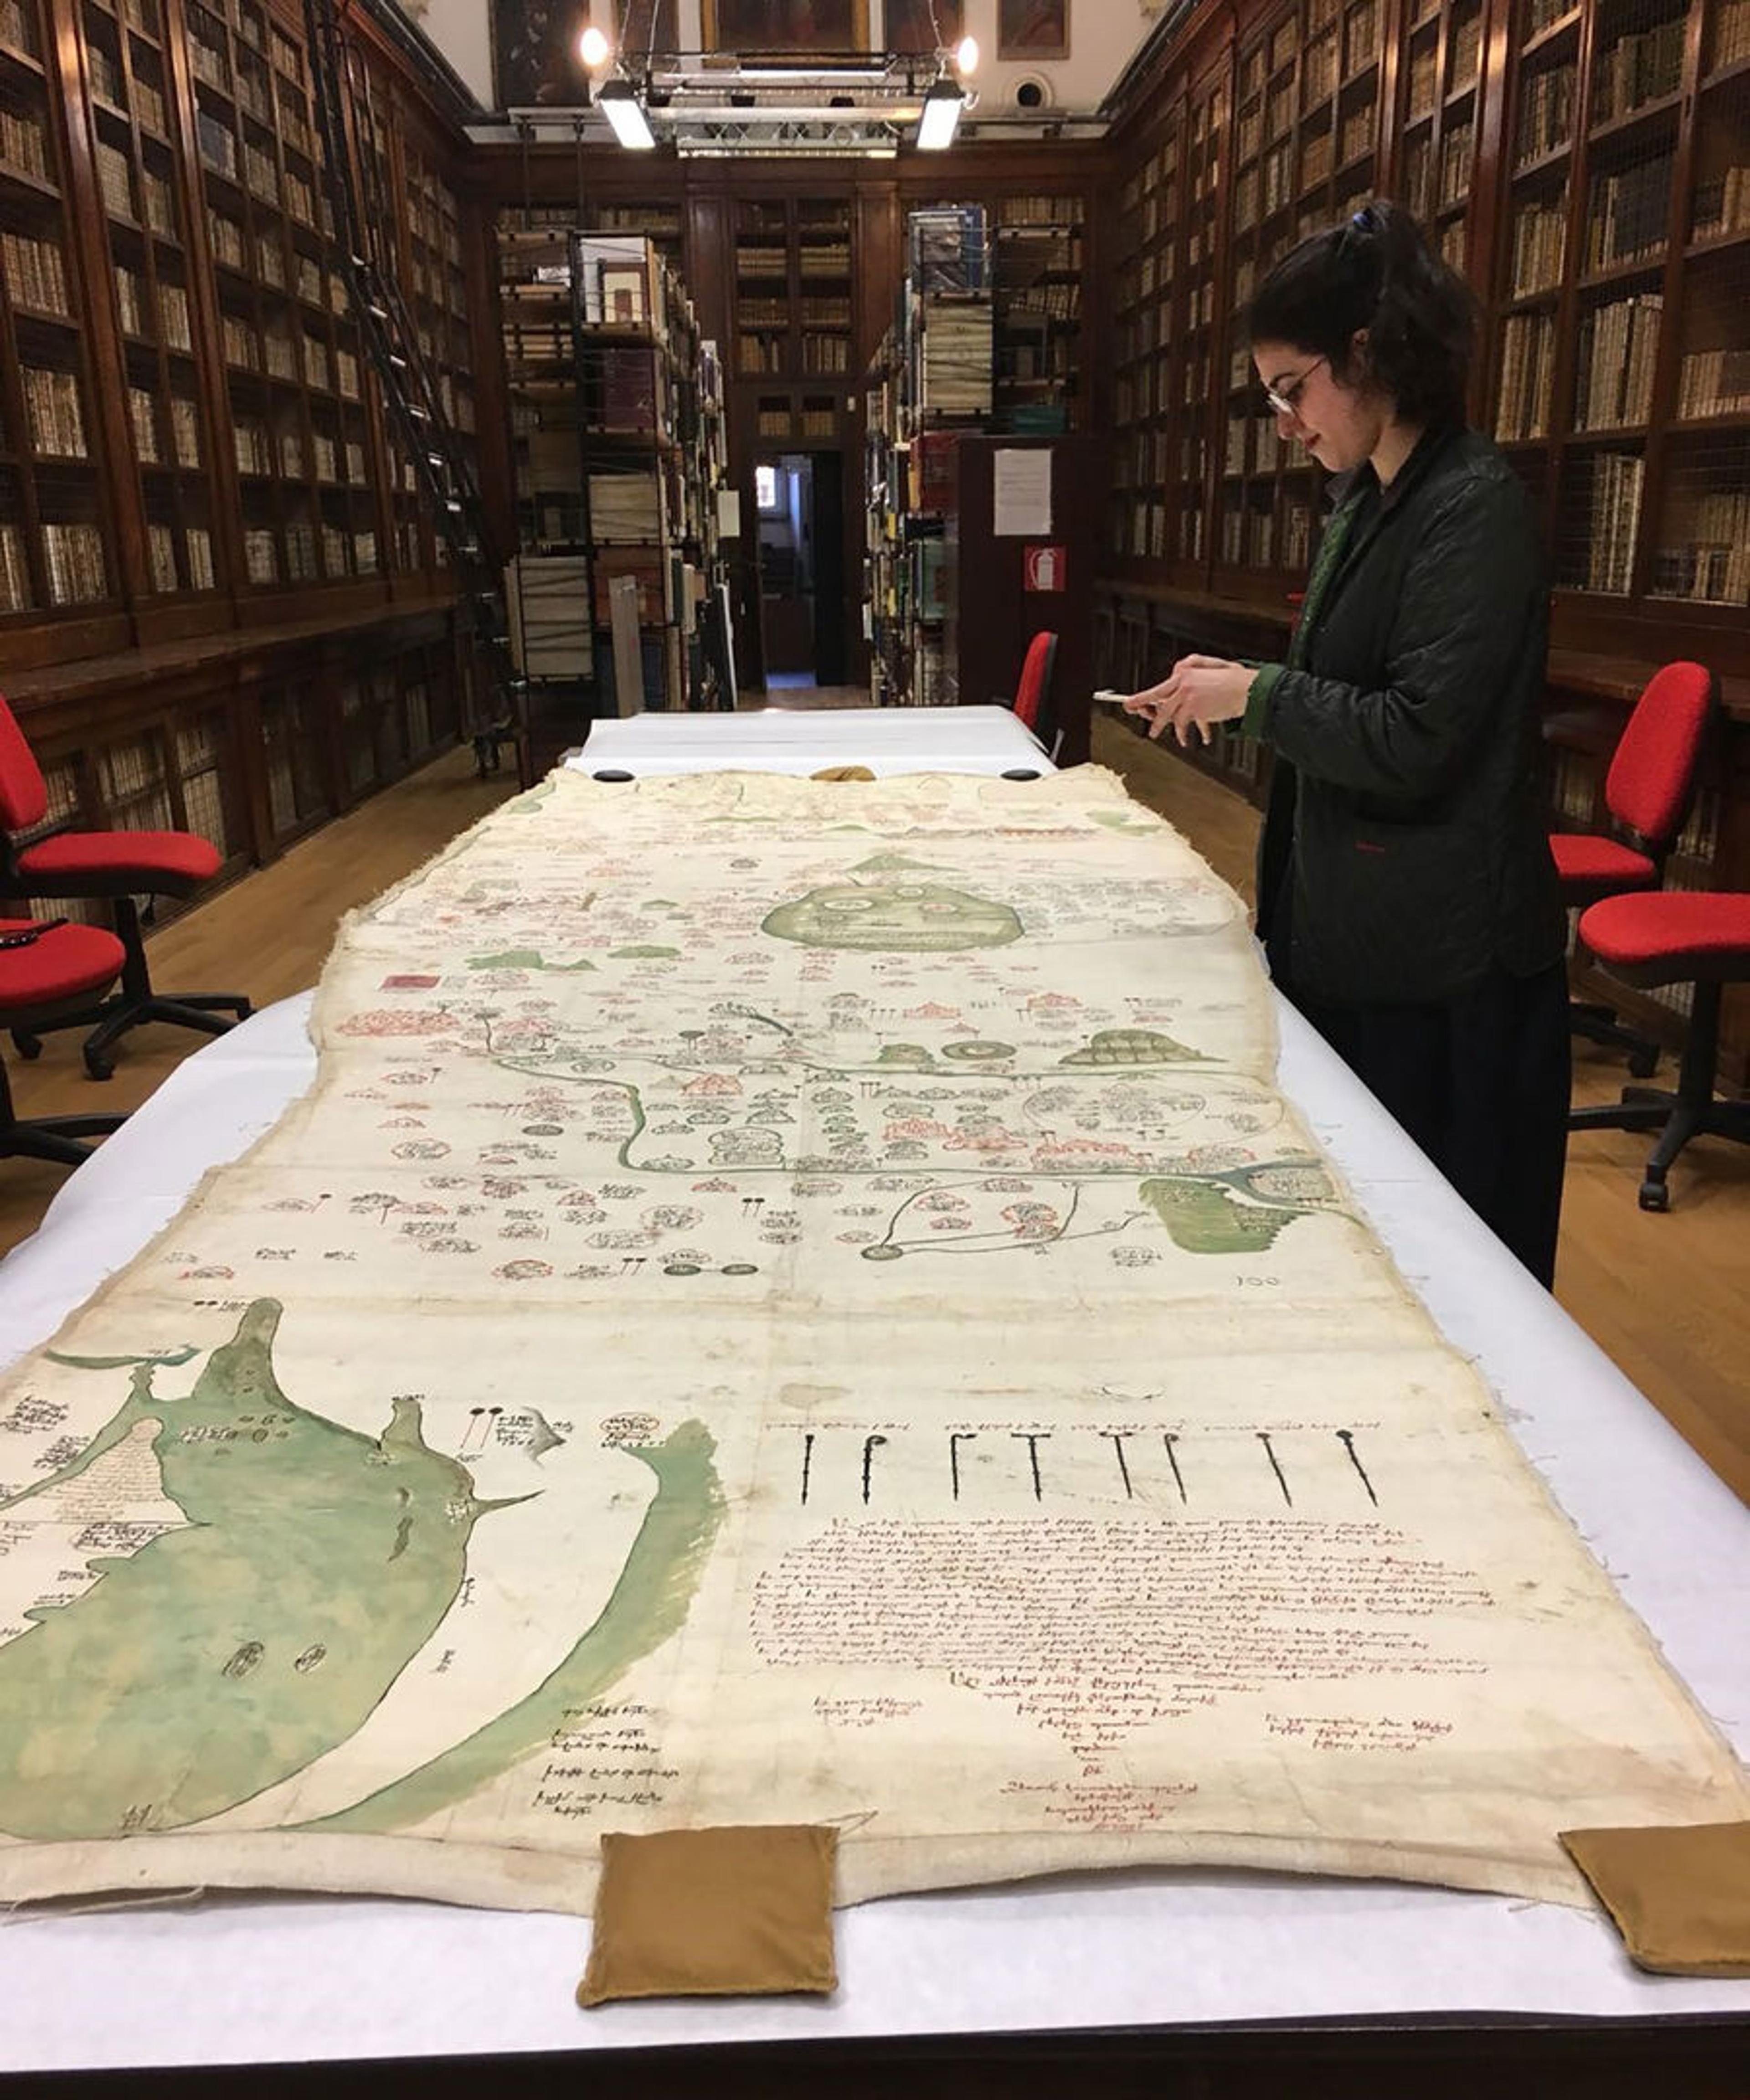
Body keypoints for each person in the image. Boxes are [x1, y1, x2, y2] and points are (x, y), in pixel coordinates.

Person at [1120, 200, 1570, 1286]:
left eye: (1293, 388)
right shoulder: (1368, 501)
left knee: (1444, 1275)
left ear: (1368, 355)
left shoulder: (1473, 509)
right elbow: (1337, 690)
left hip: (1444, 973)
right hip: (1360, 936)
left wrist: (1258, 695)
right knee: (1351, 1246)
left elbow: (1419, 736)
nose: (1284, 420)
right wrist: (1238, 690)